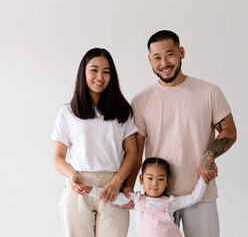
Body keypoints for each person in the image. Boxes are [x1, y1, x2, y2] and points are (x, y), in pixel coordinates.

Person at [123, 30, 237, 237]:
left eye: (170, 54)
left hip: (201, 191)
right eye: (157, 57)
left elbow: (229, 131)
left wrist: (209, 155)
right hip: (157, 197)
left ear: (181, 52)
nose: (164, 63)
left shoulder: (209, 92)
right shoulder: (140, 101)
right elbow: (137, 150)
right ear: (150, 60)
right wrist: (129, 187)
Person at [52, 48, 138, 237]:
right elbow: (58, 157)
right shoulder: (68, 113)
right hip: (79, 185)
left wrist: (118, 182)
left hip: (112, 186)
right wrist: (72, 175)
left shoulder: (123, 111)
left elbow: (132, 152)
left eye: (106, 72)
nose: (100, 76)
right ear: (83, 72)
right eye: (94, 70)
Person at [78, 157, 209, 237]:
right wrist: (90, 190)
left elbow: (193, 198)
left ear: (167, 181)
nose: (155, 183)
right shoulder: (136, 199)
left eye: (161, 179)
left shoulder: (170, 202)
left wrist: (204, 180)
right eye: (150, 178)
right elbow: (112, 197)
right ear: (141, 179)